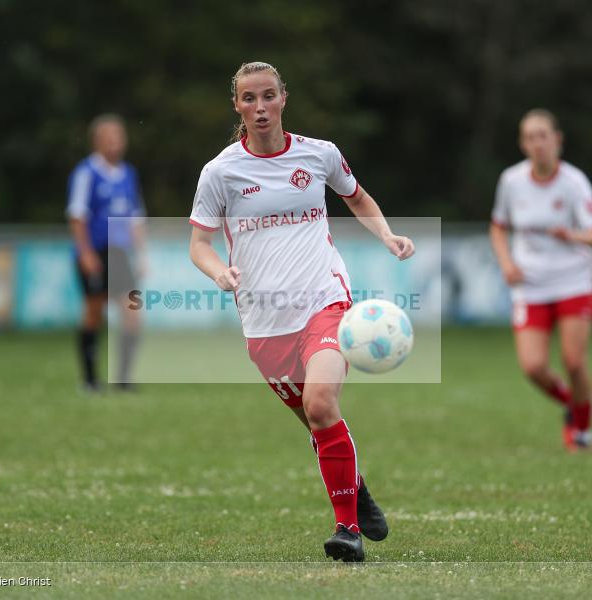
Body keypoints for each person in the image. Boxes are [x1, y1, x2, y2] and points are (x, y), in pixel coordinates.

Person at [188, 61, 415, 562]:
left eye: (268, 96)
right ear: (237, 106)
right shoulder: (221, 171)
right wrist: (218, 273)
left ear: (284, 98)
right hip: (264, 321)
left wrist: (387, 235)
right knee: (316, 423)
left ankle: (347, 531)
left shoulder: (320, 155)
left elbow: (357, 198)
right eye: (250, 99)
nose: (260, 107)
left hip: (323, 300)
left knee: (320, 405)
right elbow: (199, 244)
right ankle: (356, 489)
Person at [489, 108, 592, 452]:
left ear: (557, 140)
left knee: (573, 361)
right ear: (522, 144)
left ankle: (582, 429)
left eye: (543, 135)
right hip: (531, 285)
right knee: (533, 367)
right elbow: (498, 226)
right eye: (530, 137)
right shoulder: (511, 181)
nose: (537, 143)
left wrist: (573, 235)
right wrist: (506, 262)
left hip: (573, 282)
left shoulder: (574, 182)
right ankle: (576, 401)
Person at [66, 114, 147, 392]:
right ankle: (90, 380)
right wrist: (85, 253)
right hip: (95, 252)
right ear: (97, 141)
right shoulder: (86, 172)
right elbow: (77, 216)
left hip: (120, 253)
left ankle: (123, 379)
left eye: (119, 136)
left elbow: (135, 218)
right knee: (93, 313)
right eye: (109, 137)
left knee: (133, 314)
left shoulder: (128, 174)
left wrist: (141, 255)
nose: (116, 143)